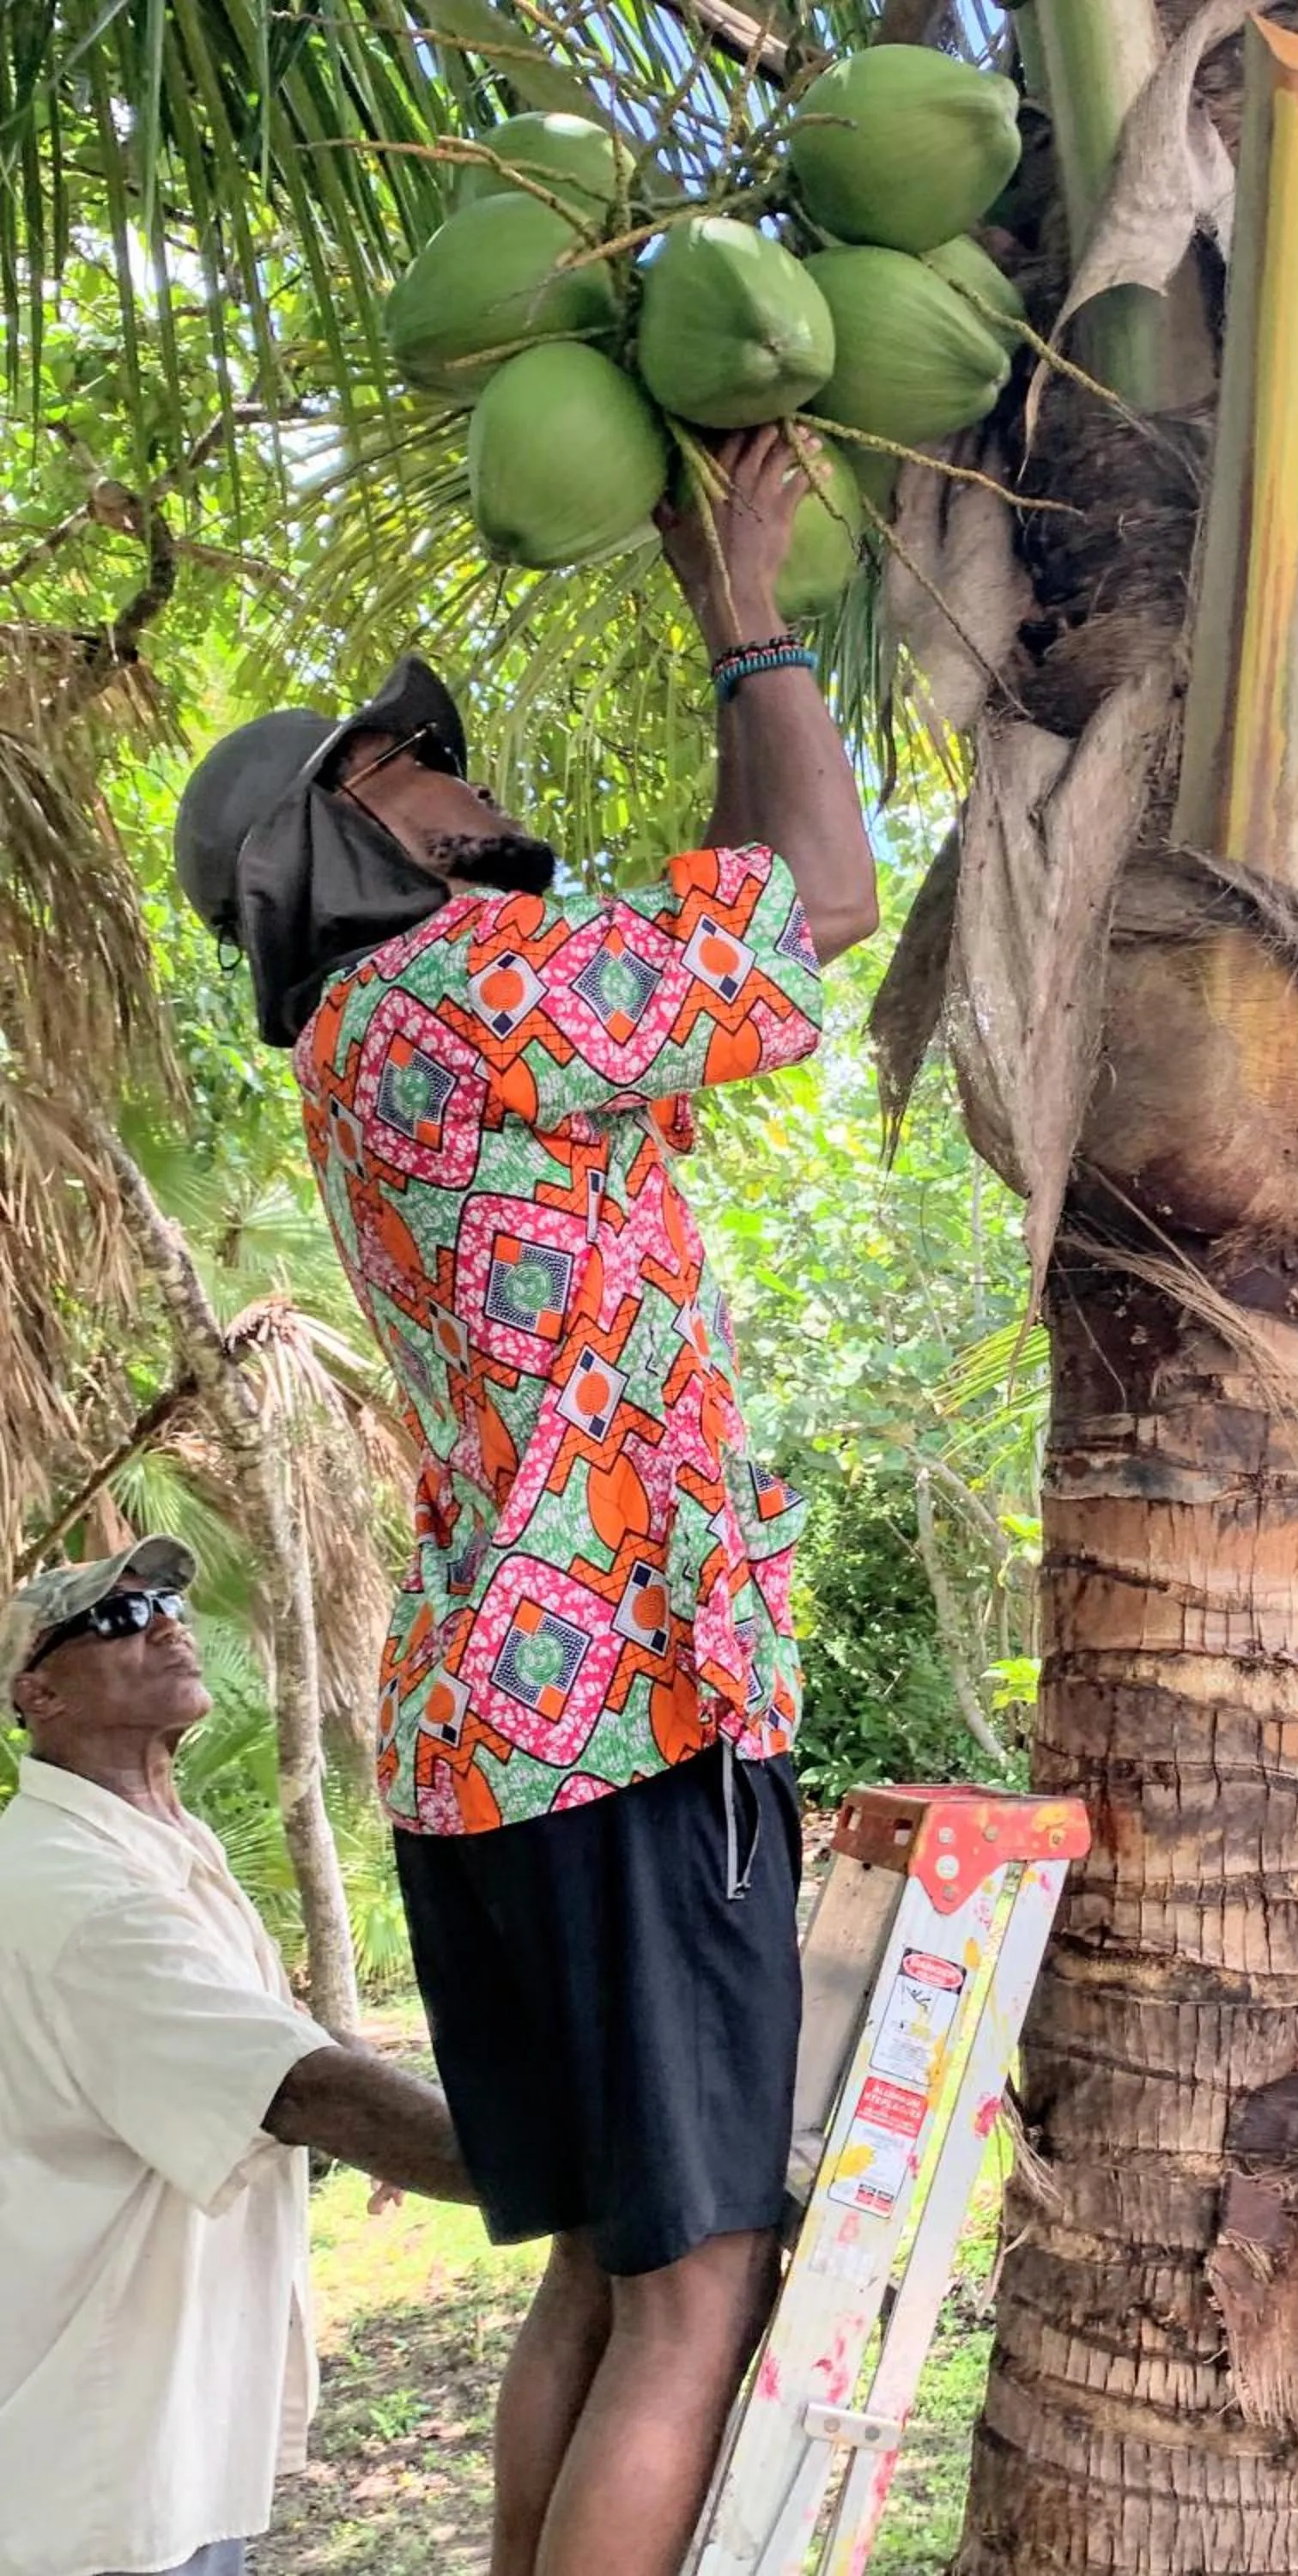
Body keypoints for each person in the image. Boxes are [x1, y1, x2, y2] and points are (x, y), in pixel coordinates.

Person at [171, 428, 879, 2576]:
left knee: (597, 2262)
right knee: (696, 2283)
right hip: (619, 1709)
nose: (474, 786)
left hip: (497, 1735)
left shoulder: (386, 1041)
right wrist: (750, 606)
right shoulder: (464, 993)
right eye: (421, 765)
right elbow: (825, 903)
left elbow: (742, 902)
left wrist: (716, 603)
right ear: (340, 835)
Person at [0, 1536, 474, 2576]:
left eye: (165, 1602)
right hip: (94, 2476)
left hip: (159, 2435)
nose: (165, 1625)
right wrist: (543, 2168)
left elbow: (283, 2036)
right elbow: (298, 2089)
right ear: (38, 1693)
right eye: (117, 1620)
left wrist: (430, 2125)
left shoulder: (160, 1848)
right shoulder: (78, 1892)